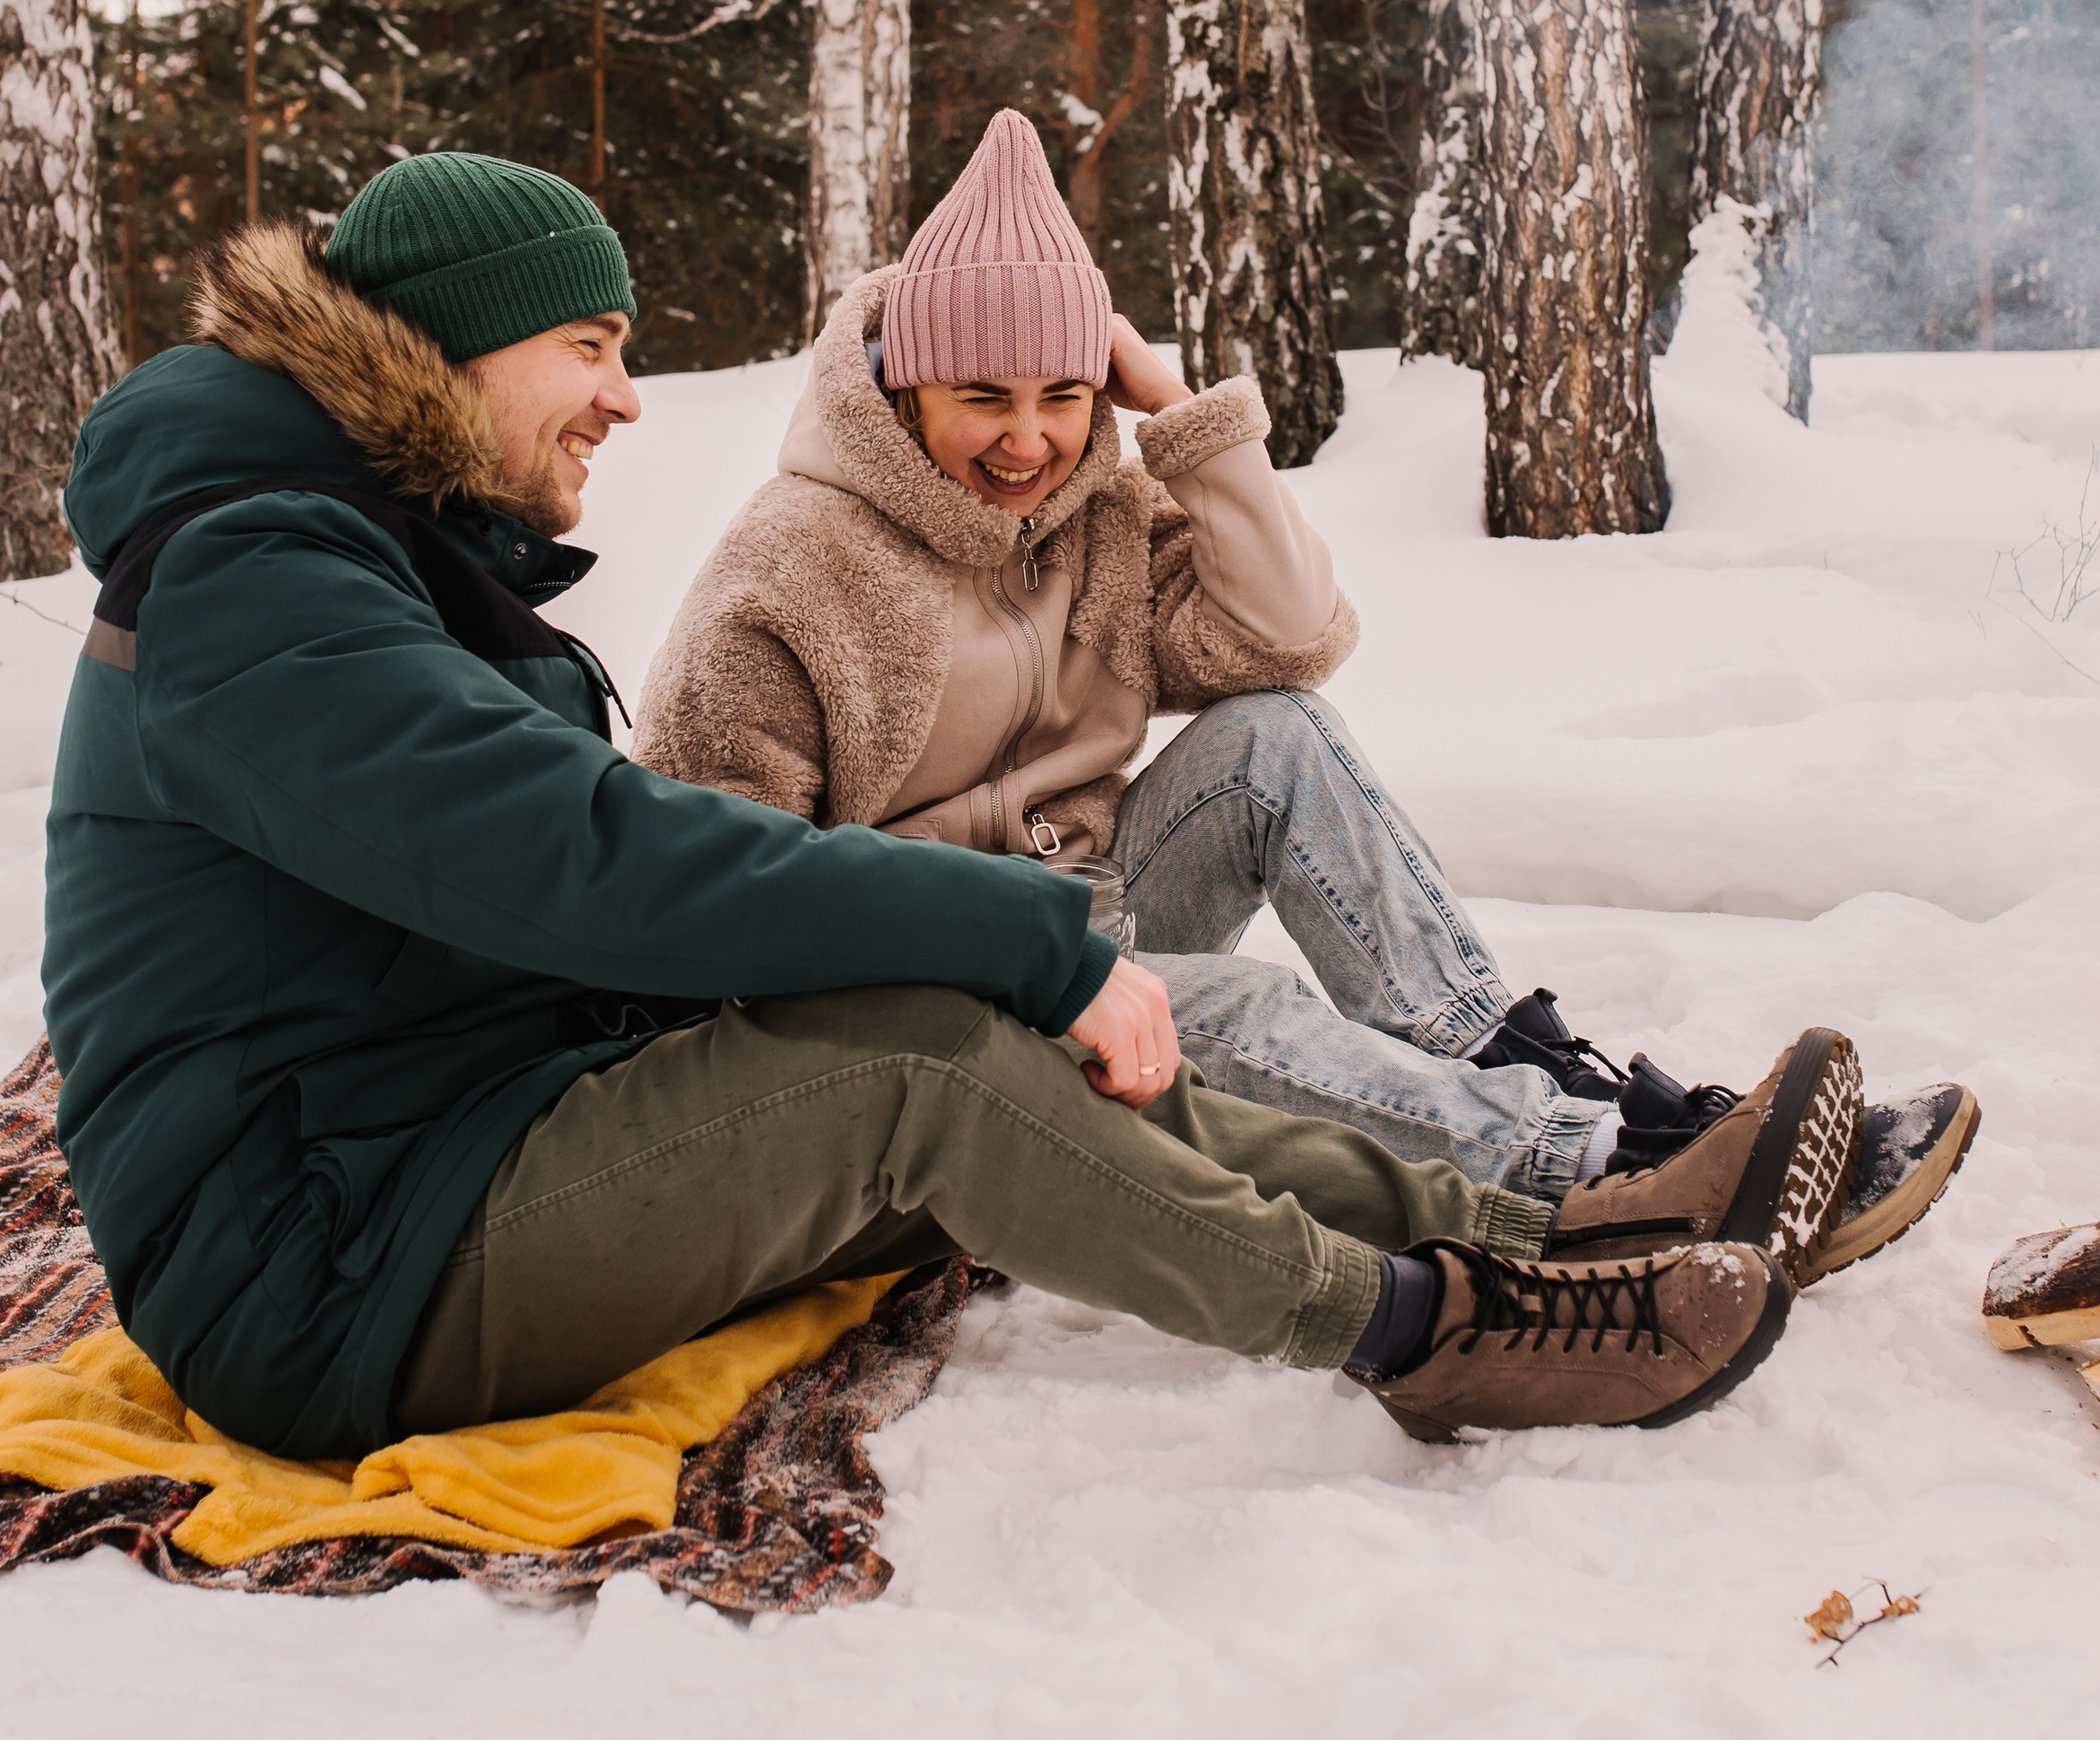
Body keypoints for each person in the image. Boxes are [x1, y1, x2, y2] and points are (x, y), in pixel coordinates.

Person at [42, 153, 1827, 1471]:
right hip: (337, 1268)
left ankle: (1546, 1237)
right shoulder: (254, 586)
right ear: (447, 347)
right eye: (588, 343)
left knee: (966, 1035)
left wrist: (983, 966)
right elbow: (592, 857)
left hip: (458, 1144)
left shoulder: (355, 555)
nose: (624, 392)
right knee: (928, 1067)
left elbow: (1283, 646)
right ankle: (1434, 1337)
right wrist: (1016, 940)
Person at [637, 110, 1979, 1281]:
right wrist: (1013, 964)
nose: (1029, 440)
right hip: (933, 996)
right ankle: (1606, 1176)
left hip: (1097, 907)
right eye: (982, 395)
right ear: (898, 380)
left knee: (1274, 739)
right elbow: (719, 905)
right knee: (1241, 1010)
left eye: (1062, 394)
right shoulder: (788, 574)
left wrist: (1188, 426)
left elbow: (1286, 642)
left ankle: (1531, 1069)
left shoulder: (1093, 504)